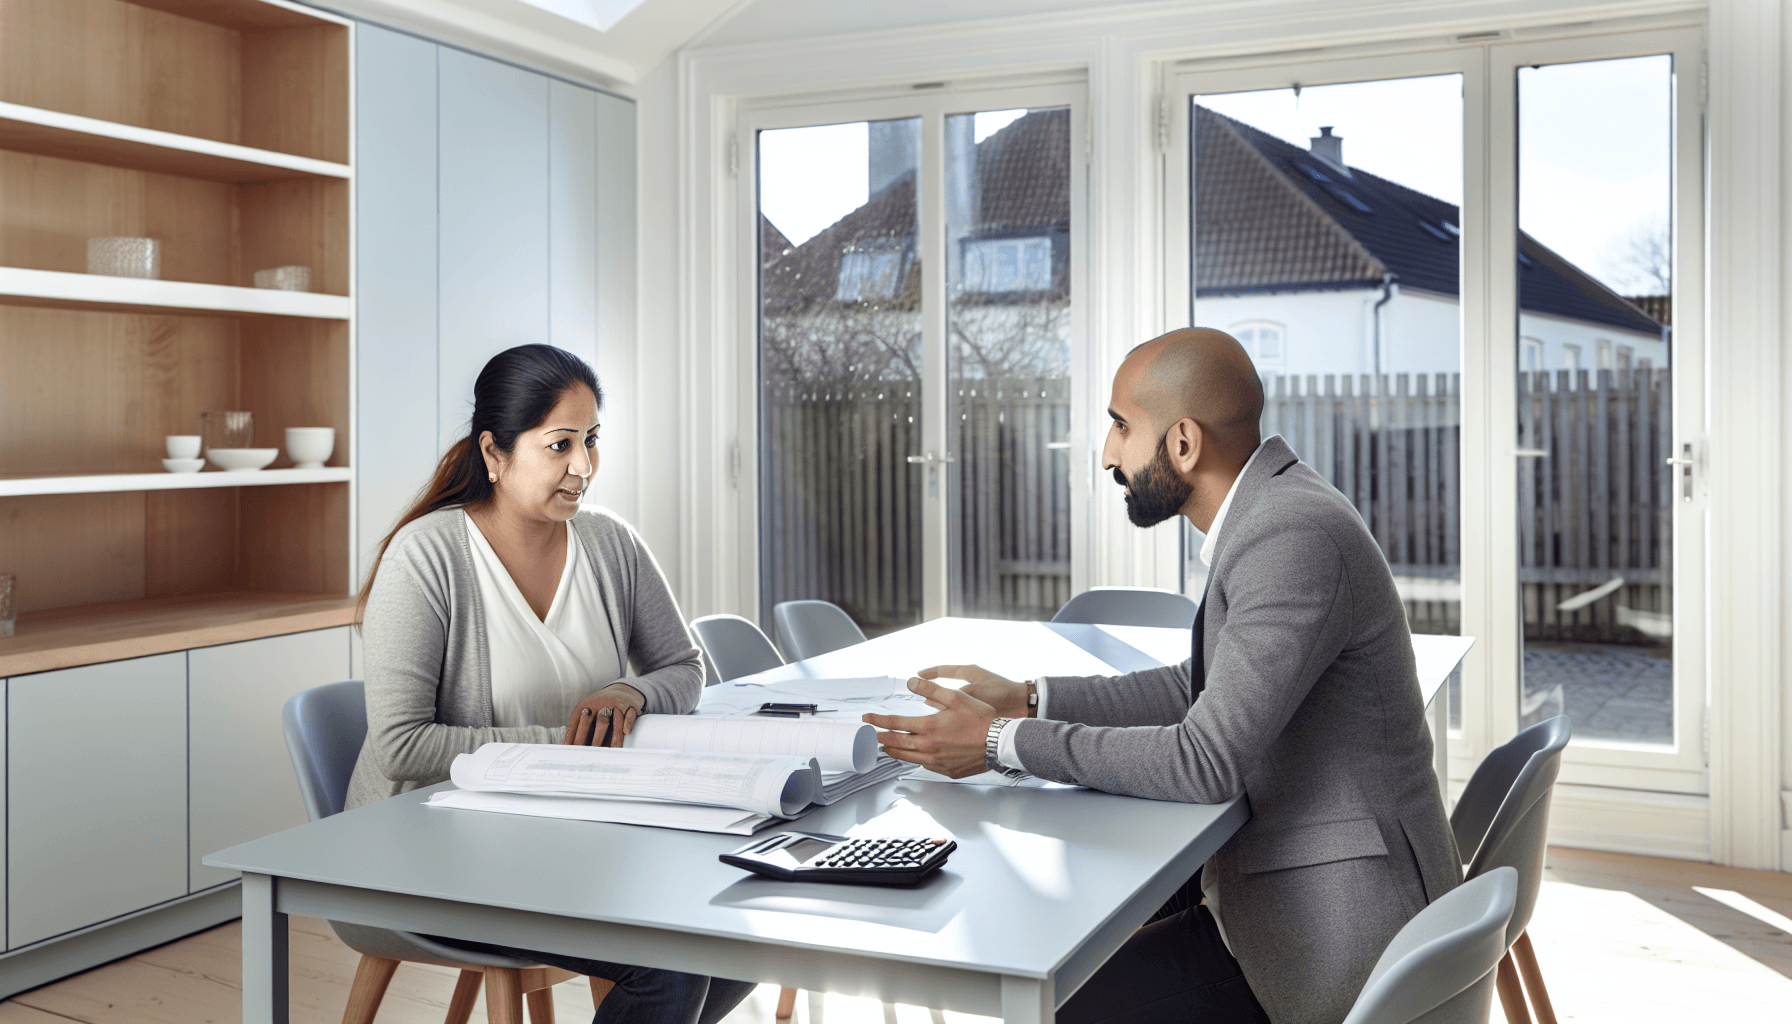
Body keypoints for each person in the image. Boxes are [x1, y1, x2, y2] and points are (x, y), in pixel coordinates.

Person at [865, 328, 1461, 1024]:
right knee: (1085, 929)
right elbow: (1196, 688)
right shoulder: (1277, 511)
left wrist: (1000, 742)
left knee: (1060, 1004)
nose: (1108, 454)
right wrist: (1028, 699)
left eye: (1121, 426)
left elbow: (1205, 761)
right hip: (1289, 883)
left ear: (1183, 443)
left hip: (1340, 935)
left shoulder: (1291, 538)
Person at [347, 344, 755, 1024]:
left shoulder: (611, 544)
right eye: (561, 444)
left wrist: (630, 695)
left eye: (592, 440)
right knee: (670, 960)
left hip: (570, 834)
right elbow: (401, 746)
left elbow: (684, 668)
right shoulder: (428, 556)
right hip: (427, 854)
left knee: (741, 915)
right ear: (494, 452)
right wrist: (571, 751)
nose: (584, 466)